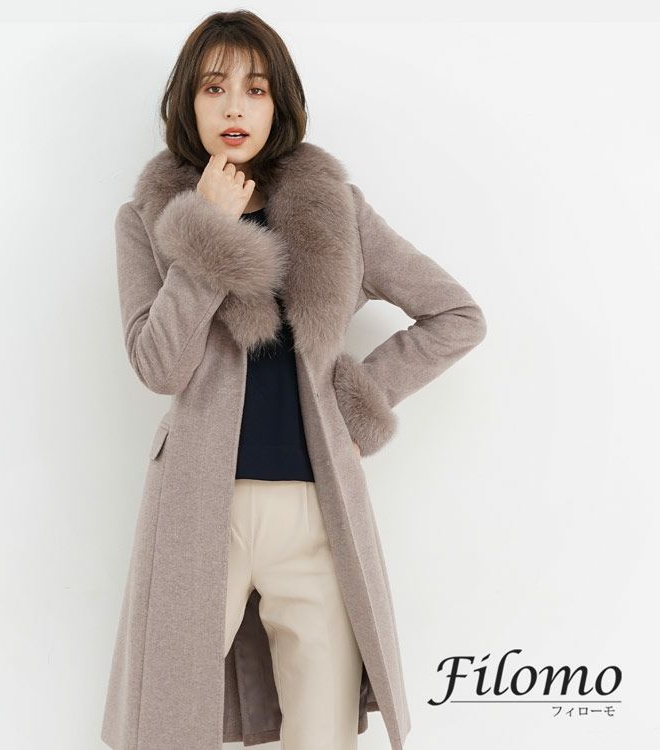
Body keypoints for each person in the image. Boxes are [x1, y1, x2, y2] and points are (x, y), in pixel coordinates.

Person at [102, 10, 487, 750]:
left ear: (280, 102)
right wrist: (206, 233)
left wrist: (358, 400)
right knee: (167, 724)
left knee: (324, 733)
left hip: (317, 512)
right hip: (197, 506)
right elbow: (159, 365)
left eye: (256, 89)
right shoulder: (146, 220)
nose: (235, 107)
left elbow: (456, 314)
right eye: (214, 88)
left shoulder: (334, 211)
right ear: (188, 103)